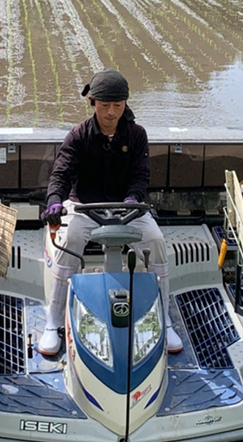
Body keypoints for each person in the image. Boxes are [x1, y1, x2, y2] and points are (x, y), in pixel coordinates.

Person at [38, 69, 183, 356]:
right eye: (105, 106)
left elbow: (141, 176)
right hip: (84, 207)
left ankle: (164, 321)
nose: (111, 112)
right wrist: (55, 200)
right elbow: (61, 173)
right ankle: (53, 323)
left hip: (128, 208)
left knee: (155, 240)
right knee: (68, 243)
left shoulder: (137, 135)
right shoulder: (78, 135)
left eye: (118, 106)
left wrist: (132, 200)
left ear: (126, 104)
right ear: (92, 103)